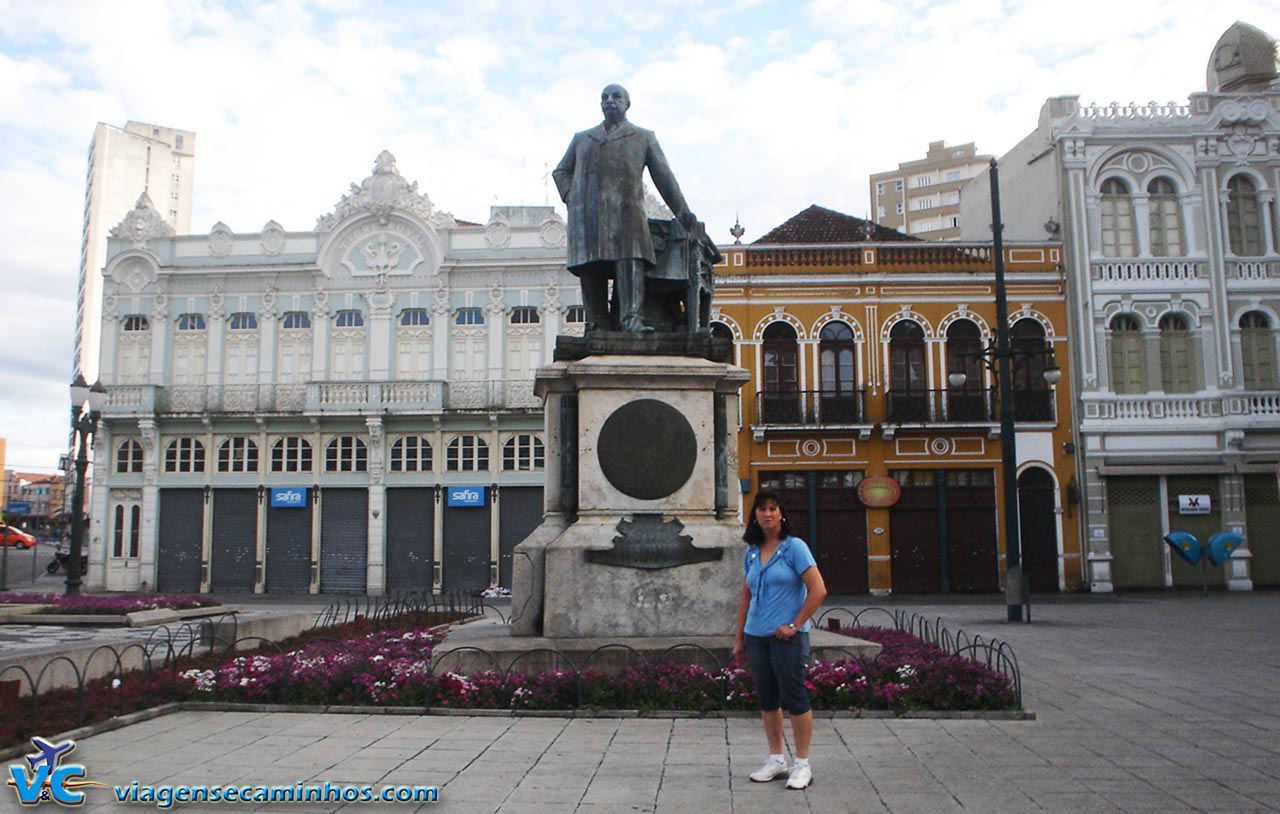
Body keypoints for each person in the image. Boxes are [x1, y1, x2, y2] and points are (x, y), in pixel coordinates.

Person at [552, 83, 698, 333]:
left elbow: (663, 176)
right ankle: (597, 322)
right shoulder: (582, 139)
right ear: (600, 105)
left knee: (630, 263)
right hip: (588, 216)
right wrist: (572, 196)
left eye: (616, 96)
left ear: (627, 104)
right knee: (591, 267)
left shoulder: (642, 137)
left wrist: (681, 210)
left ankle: (631, 319)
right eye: (604, 97)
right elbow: (561, 171)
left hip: (627, 213)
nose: (610, 100)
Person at [732, 489, 828, 790]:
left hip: (787, 638)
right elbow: (746, 597)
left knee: (795, 697)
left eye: (773, 508)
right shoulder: (751, 551)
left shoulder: (794, 547)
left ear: (781, 513)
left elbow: (818, 590)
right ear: (754, 516)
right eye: (761, 509)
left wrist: (794, 624)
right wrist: (739, 639)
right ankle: (776, 759)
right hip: (756, 636)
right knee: (768, 699)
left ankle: (802, 764)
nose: (767, 514)